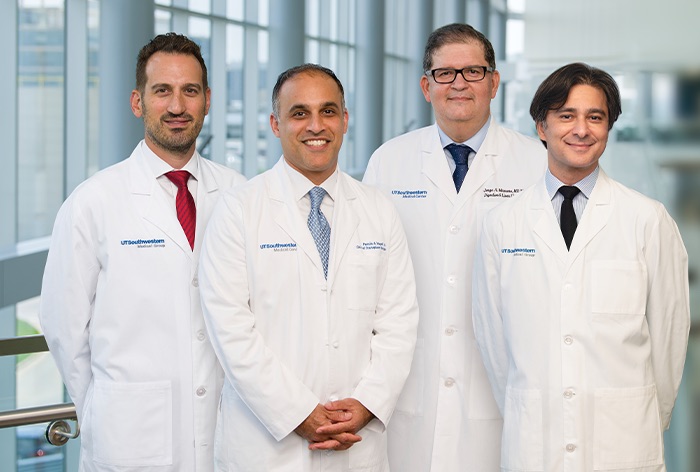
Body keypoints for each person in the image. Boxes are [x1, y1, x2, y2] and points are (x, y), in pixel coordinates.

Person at [39, 33, 246, 471]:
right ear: (138, 102)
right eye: (162, 91)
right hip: (129, 436)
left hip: (227, 432)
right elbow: (63, 326)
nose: (177, 106)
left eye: (190, 91)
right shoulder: (93, 201)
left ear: (207, 100)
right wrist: (102, 406)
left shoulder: (238, 193)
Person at [198, 64, 419, 471]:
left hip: (357, 441)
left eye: (328, 111)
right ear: (275, 123)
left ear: (345, 119)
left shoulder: (378, 210)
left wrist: (368, 403)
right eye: (299, 113)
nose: (316, 125)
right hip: (266, 446)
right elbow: (230, 329)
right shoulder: (238, 210)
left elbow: (399, 322)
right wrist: (298, 412)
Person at [472, 62, 690, 471]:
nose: (581, 129)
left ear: (609, 128)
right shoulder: (503, 223)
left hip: (623, 441)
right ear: (542, 127)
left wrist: (642, 415)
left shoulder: (647, 219)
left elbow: (669, 337)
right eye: (566, 115)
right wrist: (529, 404)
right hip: (534, 442)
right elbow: (493, 340)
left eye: (596, 117)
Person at [362, 23, 546, 471]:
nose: (459, 83)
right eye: (445, 73)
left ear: (495, 83)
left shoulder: (537, 162)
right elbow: (365, 269)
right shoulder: (390, 160)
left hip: (502, 386)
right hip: (409, 387)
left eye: (473, 71)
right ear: (427, 86)